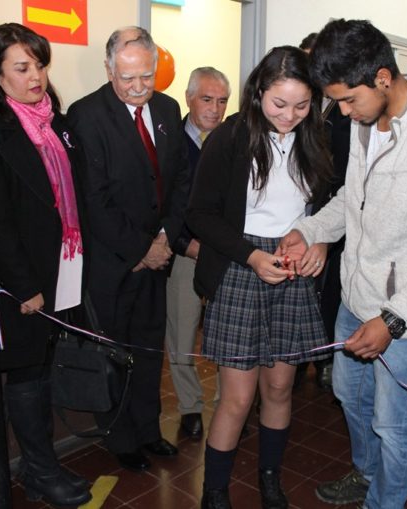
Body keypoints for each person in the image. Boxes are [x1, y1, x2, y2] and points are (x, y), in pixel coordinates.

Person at [279, 19, 407, 509]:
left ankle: (383, 502)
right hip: (355, 298)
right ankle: (366, 475)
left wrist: (392, 319)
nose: (344, 112)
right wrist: (310, 231)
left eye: (348, 100)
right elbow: (352, 198)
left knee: (395, 422)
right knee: (352, 397)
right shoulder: (365, 122)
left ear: (383, 78)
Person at [186, 46, 333, 509]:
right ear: (258, 93)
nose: (289, 116)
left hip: (291, 266)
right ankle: (214, 492)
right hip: (240, 264)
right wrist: (251, 256)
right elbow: (199, 214)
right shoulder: (230, 137)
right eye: (279, 104)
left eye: (302, 105)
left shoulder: (316, 137)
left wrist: (319, 241)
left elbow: (331, 205)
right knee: (237, 396)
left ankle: (270, 479)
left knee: (280, 387)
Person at [0, 23, 91, 506]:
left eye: (39, 65)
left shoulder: (55, 123)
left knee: (43, 366)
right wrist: (23, 285)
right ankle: (39, 470)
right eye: (21, 68)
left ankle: (43, 467)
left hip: (61, 268)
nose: (35, 76)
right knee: (26, 372)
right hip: (19, 281)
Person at [67, 26, 189, 470]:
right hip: (115, 263)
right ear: (109, 70)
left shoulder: (168, 109)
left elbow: (180, 182)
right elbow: (94, 200)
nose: (138, 87)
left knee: (150, 350)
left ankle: (149, 430)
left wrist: (166, 239)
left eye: (146, 76)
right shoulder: (86, 115)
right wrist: (142, 250)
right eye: (127, 78)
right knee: (116, 353)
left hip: (158, 257)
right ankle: (120, 439)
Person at [166, 66, 230, 440]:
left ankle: (227, 405)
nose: (215, 109)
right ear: (189, 98)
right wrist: (185, 245)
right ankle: (190, 406)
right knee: (182, 333)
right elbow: (161, 204)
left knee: (226, 335)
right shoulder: (171, 143)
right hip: (185, 253)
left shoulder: (233, 142)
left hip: (225, 255)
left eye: (222, 101)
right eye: (207, 99)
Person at [296, 32, 351, 391]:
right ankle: (299, 360)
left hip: (333, 212)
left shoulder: (345, 110)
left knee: (329, 290)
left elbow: (347, 178)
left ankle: (324, 356)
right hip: (301, 214)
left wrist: (324, 231)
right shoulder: (299, 105)